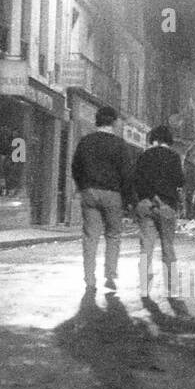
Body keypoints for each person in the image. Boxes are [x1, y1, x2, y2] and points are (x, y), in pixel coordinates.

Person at [71, 105, 130, 292]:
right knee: (113, 235)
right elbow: (126, 173)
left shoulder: (85, 142)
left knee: (90, 236)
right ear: (113, 122)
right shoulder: (120, 145)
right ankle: (110, 275)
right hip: (112, 194)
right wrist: (126, 198)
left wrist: (82, 187)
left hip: (90, 192)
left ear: (97, 120)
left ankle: (89, 278)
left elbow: (75, 167)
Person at [131, 125, 185, 299]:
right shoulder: (174, 157)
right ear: (168, 140)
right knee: (168, 246)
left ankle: (145, 287)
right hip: (167, 206)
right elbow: (180, 181)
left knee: (146, 246)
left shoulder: (144, 155)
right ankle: (172, 288)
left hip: (146, 204)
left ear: (153, 138)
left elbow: (136, 179)